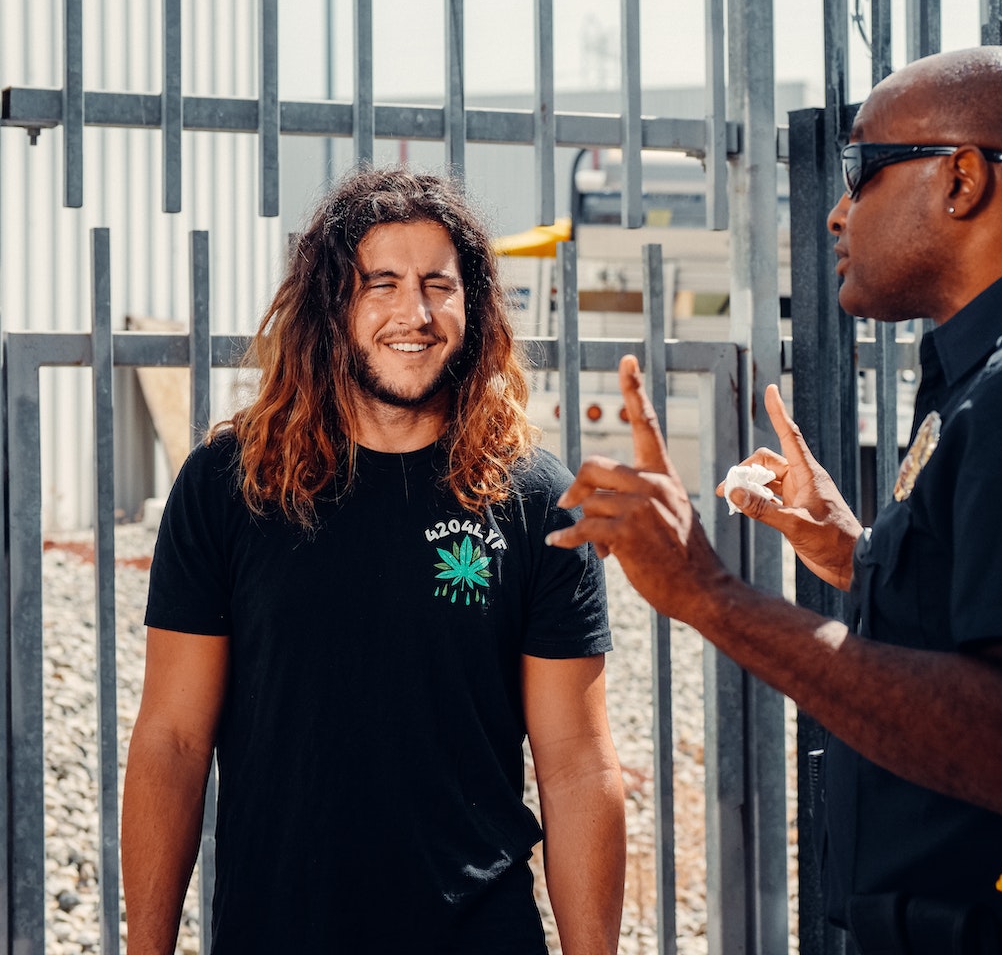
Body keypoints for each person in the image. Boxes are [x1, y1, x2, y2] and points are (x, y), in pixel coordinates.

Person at [546, 46, 1002, 954]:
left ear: (963, 179)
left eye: (862, 169)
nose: (837, 212)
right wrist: (856, 554)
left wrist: (709, 595)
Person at [122, 168, 626, 955]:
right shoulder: (229, 486)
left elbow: (577, 766)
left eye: (439, 286)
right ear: (330, 307)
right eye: (380, 284)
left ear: (475, 307)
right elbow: (173, 743)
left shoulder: (535, 500)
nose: (414, 313)